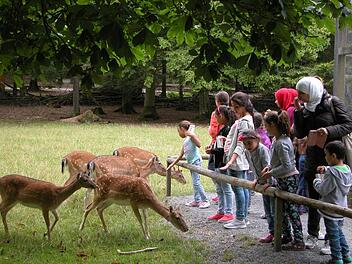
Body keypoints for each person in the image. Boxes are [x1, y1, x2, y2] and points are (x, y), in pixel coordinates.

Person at [294, 76, 352, 249]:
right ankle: (313, 233)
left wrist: (328, 130)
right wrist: (298, 112)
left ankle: (331, 237)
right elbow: (299, 132)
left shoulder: (332, 103)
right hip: (314, 157)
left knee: (332, 199)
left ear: (312, 91)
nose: (299, 97)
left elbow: (348, 124)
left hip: (333, 157)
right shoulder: (305, 107)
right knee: (313, 196)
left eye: (301, 93)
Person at [262, 110, 305, 250]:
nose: (264, 128)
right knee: (282, 209)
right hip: (280, 178)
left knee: (291, 210)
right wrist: (269, 167)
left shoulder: (282, 142)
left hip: (289, 179)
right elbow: (276, 161)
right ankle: (286, 235)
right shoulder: (276, 140)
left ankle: (299, 240)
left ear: (273, 124)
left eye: (266, 125)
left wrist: (271, 173)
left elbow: (288, 166)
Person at [313, 141, 352, 264]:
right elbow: (336, 169)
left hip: (331, 208)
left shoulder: (331, 173)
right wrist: (326, 168)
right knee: (339, 232)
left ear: (333, 156)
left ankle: (337, 258)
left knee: (333, 234)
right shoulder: (347, 169)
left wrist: (316, 181)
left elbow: (323, 190)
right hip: (341, 208)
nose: (325, 157)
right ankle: (346, 256)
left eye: (326, 154)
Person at [220, 92, 254, 229]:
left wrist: (230, 161)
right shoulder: (244, 119)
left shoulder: (245, 121)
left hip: (238, 161)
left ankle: (240, 218)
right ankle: (243, 217)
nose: (234, 110)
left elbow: (241, 144)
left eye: (236, 107)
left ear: (243, 106)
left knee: (238, 188)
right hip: (238, 160)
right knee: (242, 188)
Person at [238, 129, 275, 243]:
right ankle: (272, 232)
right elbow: (254, 167)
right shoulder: (248, 152)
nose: (247, 146)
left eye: (249, 143)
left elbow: (268, 166)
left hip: (271, 183)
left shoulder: (262, 150)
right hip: (261, 182)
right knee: (267, 210)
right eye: (245, 143)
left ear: (257, 140)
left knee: (274, 210)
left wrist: (269, 181)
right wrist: (257, 179)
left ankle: (280, 233)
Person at [167, 120, 210, 209]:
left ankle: (205, 200)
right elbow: (181, 155)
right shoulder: (186, 140)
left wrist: (192, 135)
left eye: (179, 131)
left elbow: (199, 144)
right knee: (195, 183)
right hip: (191, 163)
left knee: (196, 183)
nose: (178, 133)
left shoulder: (191, 137)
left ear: (182, 129)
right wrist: (172, 164)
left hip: (196, 162)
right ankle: (197, 200)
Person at [207, 106, 236, 223]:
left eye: (216, 116)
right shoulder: (222, 128)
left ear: (222, 116)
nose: (215, 119)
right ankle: (221, 211)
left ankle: (228, 212)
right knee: (219, 188)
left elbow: (225, 149)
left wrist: (212, 151)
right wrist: (212, 148)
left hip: (224, 163)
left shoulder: (228, 130)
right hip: (218, 162)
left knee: (226, 188)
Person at [207, 91, 230, 204]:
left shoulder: (216, 113)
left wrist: (209, 130)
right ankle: (222, 195)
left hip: (217, 145)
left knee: (214, 170)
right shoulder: (230, 111)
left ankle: (222, 195)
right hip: (225, 147)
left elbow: (213, 131)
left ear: (217, 102)